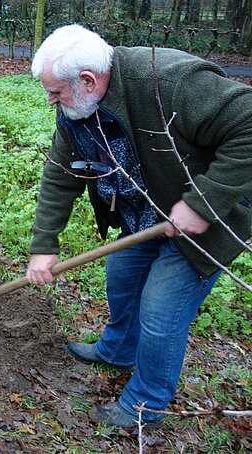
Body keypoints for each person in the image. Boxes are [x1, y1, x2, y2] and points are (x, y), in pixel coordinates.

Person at [26, 24, 252, 429]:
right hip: (146, 213)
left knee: (162, 309)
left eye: (55, 92)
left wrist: (202, 203)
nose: (50, 101)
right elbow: (60, 177)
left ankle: (144, 407)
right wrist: (44, 245)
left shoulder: (171, 82)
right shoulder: (77, 111)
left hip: (208, 218)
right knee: (123, 275)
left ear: (88, 81)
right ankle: (117, 351)